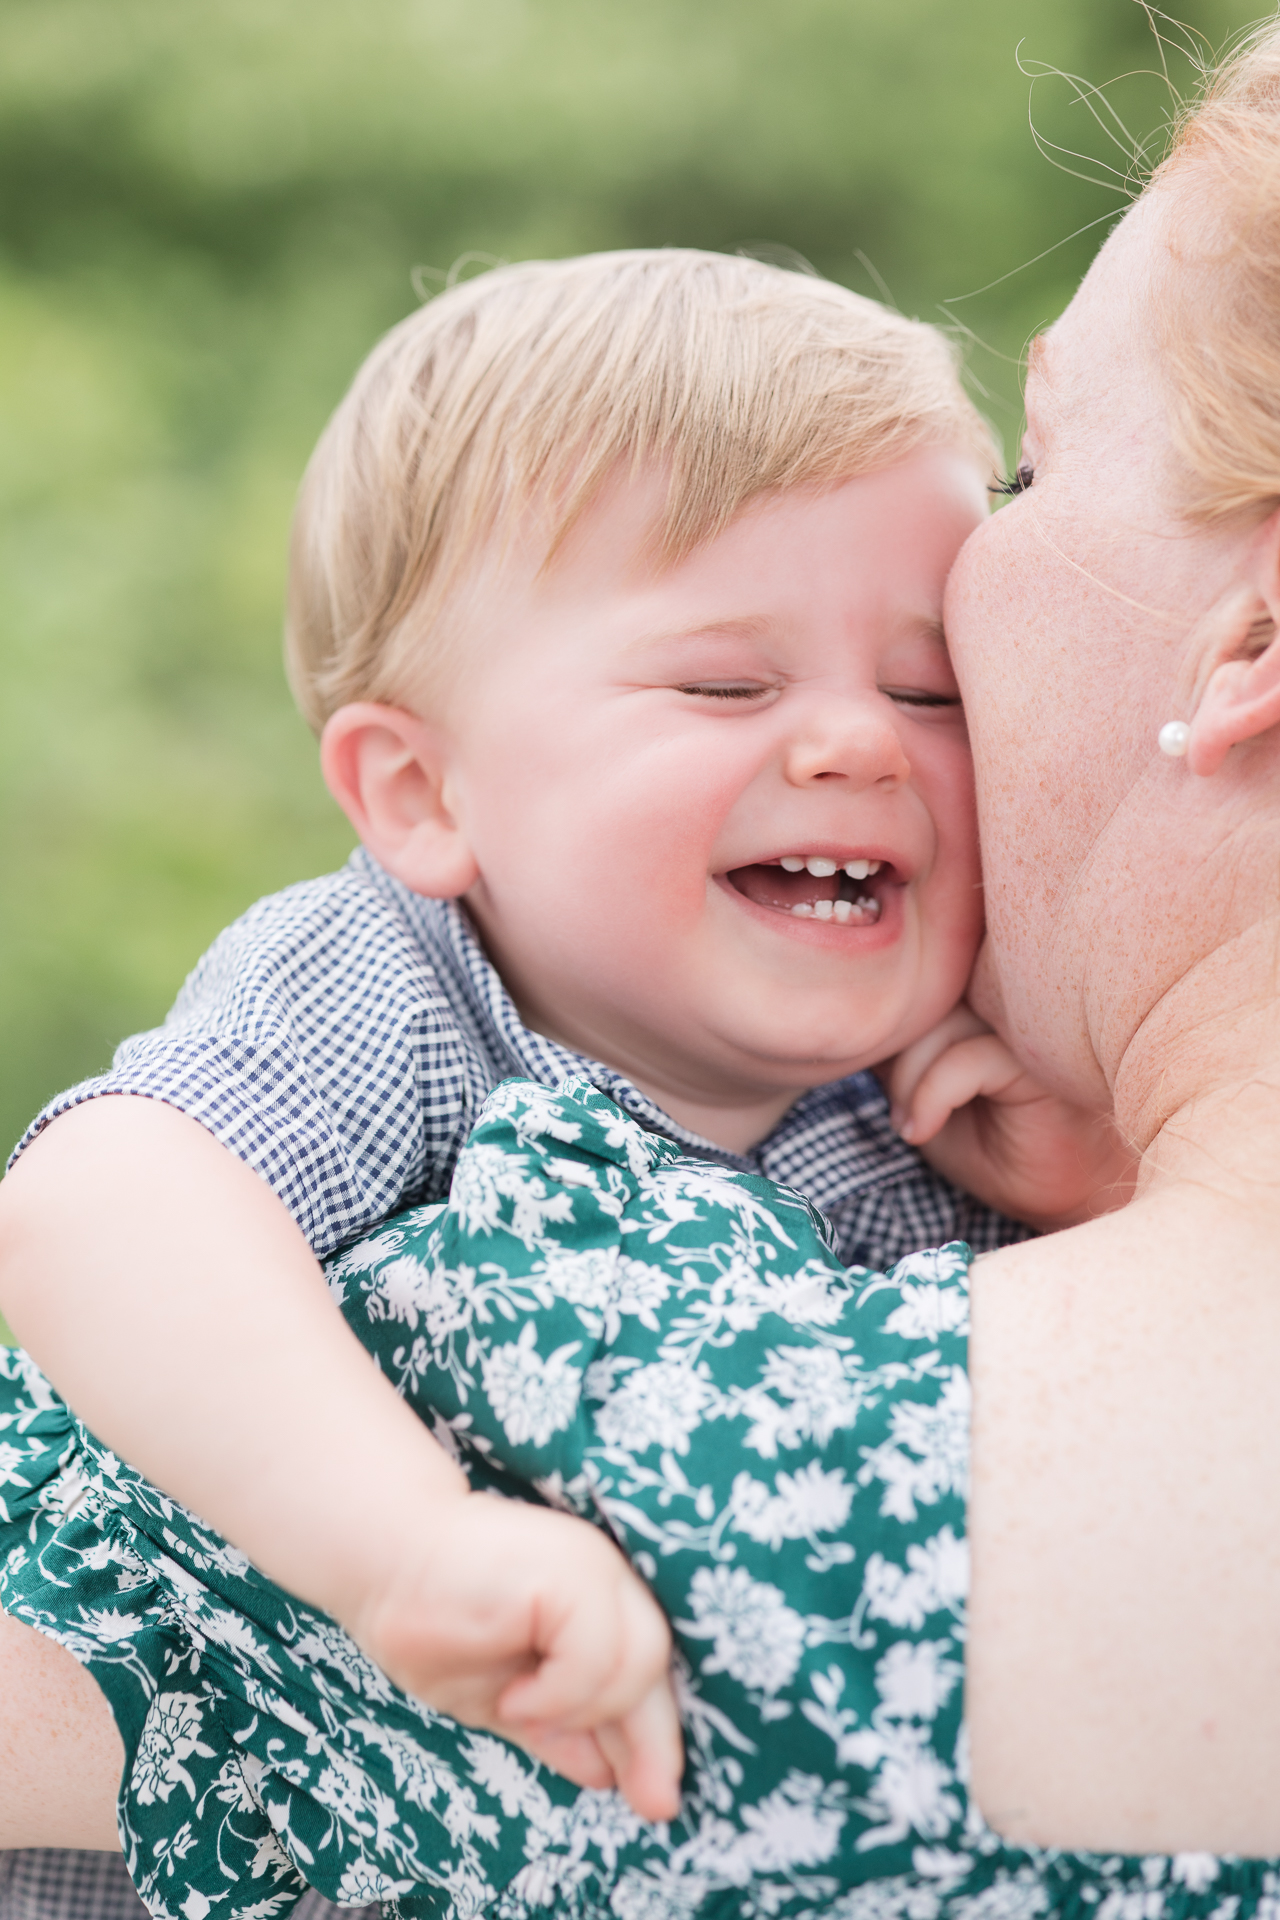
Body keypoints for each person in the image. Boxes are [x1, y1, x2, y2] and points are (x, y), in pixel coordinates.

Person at [0, 249, 1125, 1901]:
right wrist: (400, 1545)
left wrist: (1094, 1207)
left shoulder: (943, 1099)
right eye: (725, 684)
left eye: (927, 687)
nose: (857, 743)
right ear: (421, 796)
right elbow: (100, 1203)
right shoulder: (408, 985)